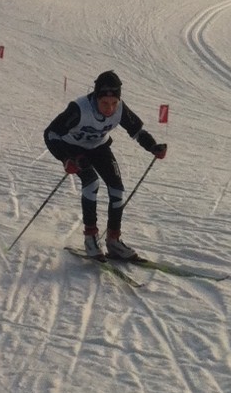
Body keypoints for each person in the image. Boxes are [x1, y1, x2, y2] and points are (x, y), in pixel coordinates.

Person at [43, 71, 167, 260]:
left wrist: (153, 146)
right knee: (91, 182)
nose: (110, 108)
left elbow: (137, 131)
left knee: (117, 189)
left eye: (114, 103)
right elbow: (51, 133)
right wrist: (65, 159)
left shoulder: (120, 109)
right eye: (105, 103)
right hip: (74, 149)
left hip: (99, 147)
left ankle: (113, 241)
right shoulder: (79, 109)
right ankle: (90, 238)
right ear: (96, 98)